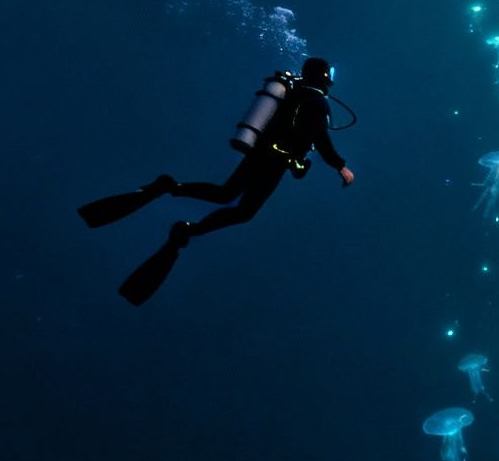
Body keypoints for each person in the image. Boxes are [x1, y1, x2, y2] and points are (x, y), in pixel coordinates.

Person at [81, 57, 355, 305]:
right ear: (323, 76)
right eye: (329, 72)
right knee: (244, 211)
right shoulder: (316, 101)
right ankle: (187, 229)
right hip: (273, 163)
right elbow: (320, 138)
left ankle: (169, 187)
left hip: (261, 153)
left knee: (225, 194)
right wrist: (340, 167)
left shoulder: (294, 93)